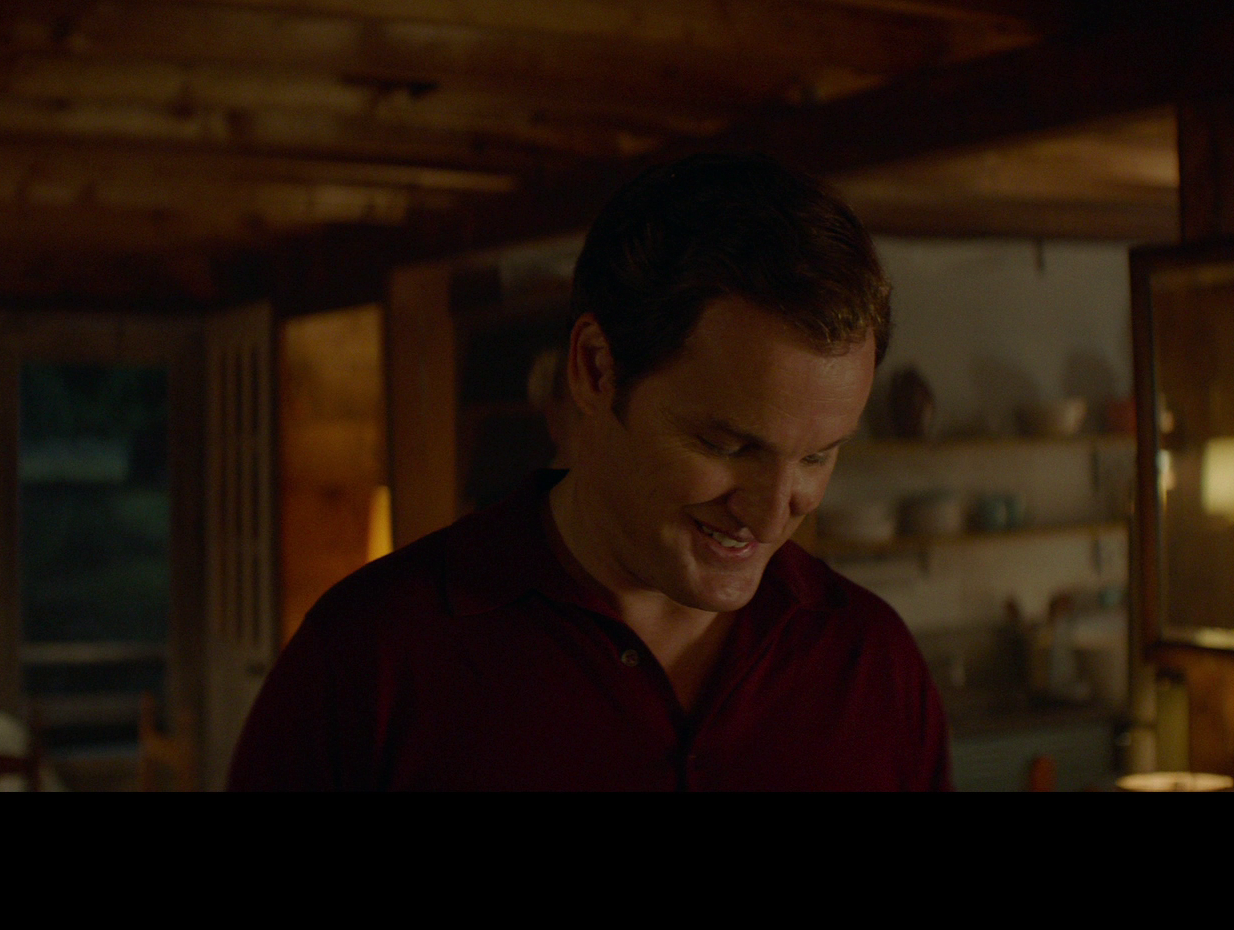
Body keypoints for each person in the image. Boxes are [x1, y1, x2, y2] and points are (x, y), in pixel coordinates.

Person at [229, 153, 951, 791]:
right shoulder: (368, 658)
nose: (771, 516)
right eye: (728, 446)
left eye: (817, 455)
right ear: (595, 369)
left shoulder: (873, 661)